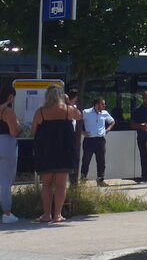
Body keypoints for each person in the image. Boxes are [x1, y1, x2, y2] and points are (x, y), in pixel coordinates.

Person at [30, 85, 81, 223]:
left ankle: (47, 214)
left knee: (46, 184)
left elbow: (34, 130)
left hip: (46, 151)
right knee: (61, 184)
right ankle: (57, 215)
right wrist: (68, 102)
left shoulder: (40, 112)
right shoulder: (68, 110)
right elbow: (79, 115)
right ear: (61, 96)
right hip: (63, 151)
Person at [80, 96, 115, 185]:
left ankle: (100, 179)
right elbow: (77, 121)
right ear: (97, 104)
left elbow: (112, 121)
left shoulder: (104, 113)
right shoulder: (86, 112)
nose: (104, 106)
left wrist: (108, 129)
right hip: (89, 140)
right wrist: (82, 132)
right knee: (86, 160)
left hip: (100, 140)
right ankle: (83, 179)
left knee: (101, 161)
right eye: (102, 104)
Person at [0, 86, 18, 224]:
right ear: (10, 97)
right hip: (6, 143)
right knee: (5, 181)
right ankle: (6, 213)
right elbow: (14, 132)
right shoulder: (7, 111)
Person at [130, 90, 147, 184]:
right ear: (142, 98)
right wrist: (140, 126)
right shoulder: (137, 110)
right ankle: (145, 178)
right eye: (145, 97)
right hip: (142, 137)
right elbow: (132, 124)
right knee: (144, 158)